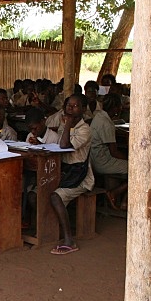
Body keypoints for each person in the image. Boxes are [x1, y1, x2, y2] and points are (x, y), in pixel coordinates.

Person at [49, 95, 94, 255]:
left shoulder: (85, 129)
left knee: (55, 196)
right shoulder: (64, 126)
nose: (70, 108)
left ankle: (69, 240)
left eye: (75, 106)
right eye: (68, 105)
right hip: (65, 172)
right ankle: (48, 232)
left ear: (83, 110)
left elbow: (64, 144)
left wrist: (67, 122)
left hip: (79, 177)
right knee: (37, 190)